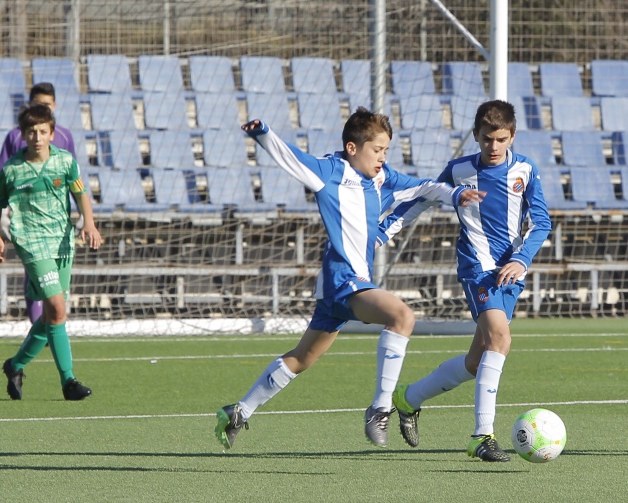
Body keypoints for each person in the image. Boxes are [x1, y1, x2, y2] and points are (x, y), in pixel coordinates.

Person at [214, 108, 485, 450]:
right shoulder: (330, 172)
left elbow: (425, 188)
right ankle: (380, 409)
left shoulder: (382, 177)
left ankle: (239, 411)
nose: (382, 157)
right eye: (377, 150)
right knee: (402, 316)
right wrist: (263, 133)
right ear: (353, 148)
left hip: (337, 286)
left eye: (386, 150)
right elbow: (293, 159)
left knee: (302, 358)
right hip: (344, 278)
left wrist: (454, 195)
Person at [380, 99, 552, 461]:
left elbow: (541, 222)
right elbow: (423, 199)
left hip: (510, 272)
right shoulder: (459, 170)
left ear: (512, 136)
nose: (494, 146)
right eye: (487, 138)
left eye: (501, 139)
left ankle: (408, 398)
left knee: (476, 361)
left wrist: (521, 259)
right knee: (500, 339)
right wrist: (385, 230)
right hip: (477, 268)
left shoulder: (525, 169)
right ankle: (482, 436)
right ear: (476, 135)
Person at [0, 102, 101, 401]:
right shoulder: (12, 169)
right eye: (31, 132)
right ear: (23, 135)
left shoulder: (65, 161)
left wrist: (89, 223)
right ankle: (68, 381)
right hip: (31, 243)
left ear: (52, 133)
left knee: (53, 313)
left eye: (42, 131)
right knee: (58, 308)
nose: (37, 137)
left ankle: (15, 365)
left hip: (62, 241)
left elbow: (80, 193)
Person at [0, 82, 79, 324]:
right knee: (35, 274)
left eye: (48, 105)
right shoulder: (16, 136)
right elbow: (2, 177)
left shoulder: (64, 136)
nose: (37, 137)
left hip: (56, 222)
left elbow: (74, 178)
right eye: (39, 104)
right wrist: (3, 217)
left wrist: (83, 214)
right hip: (27, 223)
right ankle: (40, 324)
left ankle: (48, 329)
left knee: (56, 284)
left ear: (55, 106)